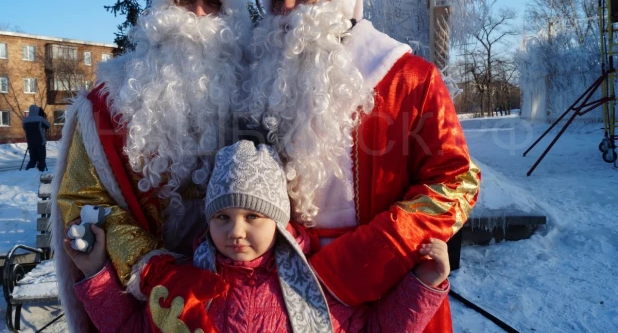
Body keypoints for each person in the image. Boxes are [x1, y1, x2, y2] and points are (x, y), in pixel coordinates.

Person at [244, 0, 482, 332]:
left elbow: (456, 180)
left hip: (387, 285)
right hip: (280, 290)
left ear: (337, 2)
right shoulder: (260, 86)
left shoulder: (410, 78)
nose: (286, 8)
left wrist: (362, 260)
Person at [50, 0, 252, 332]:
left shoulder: (256, 93)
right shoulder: (109, 102)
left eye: (211, 1)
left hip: (241, 292)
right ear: (162, 8)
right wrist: (151, 267)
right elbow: (82, 200)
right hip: (138, 299)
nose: (196, 12)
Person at [65, 140, 451, 333]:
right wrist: (96, 271)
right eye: (222, 216)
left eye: (253, 216)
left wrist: (424, 284)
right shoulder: (184, 286)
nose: (236, 231)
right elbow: (129, 329)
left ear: (280, 221)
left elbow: (375, 329)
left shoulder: (314, 287)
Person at [22, 104, 50, 171]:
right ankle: (41, 173)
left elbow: (24, 128)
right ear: (37, 111)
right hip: (40, 143)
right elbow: (48, 125)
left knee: (32, 160)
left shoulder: (25, 120)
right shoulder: (40, 119)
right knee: (41, 160)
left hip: (31, 143)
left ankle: (27, 172)